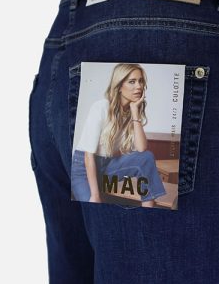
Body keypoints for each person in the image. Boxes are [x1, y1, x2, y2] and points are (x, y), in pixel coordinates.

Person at [70, 63, 168, 207]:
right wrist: (95, 195)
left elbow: (141, 149)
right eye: (132, 82)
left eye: (141, 81)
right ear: (119, 86)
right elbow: (88, 156)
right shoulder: (101, 107)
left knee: (146, 157)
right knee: (94, 208)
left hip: (107, 166)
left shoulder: (130, 112)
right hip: (84, 169)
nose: (139, 86)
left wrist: (135, 112)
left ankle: (148, 212)